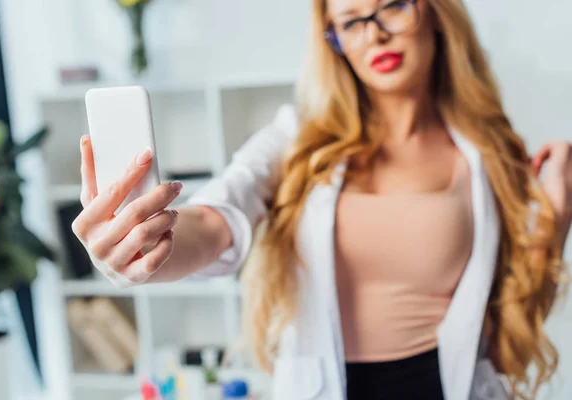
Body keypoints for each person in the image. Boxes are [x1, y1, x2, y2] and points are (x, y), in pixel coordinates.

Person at [72, 0, 572, 399]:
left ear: (437, 13)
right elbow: (217, 218)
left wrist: (554, 226)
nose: (374, 34)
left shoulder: (488, 155)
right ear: (334, 42)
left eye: (393, 7)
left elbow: (511, 336)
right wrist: (148, 247)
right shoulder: (299, 139)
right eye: (349, 22)